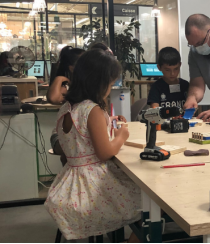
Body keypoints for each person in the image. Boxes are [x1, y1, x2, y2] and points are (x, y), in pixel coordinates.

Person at [44, 49, 141, 242]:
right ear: (99, 82)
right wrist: (121, 136)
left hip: (70, 184)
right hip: (93, 189)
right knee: (153, 201)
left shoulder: (67, 107)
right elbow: (105, 153)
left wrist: (107, 120)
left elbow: (81, 137)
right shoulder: (93, 109)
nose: (109, 90)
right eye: (110, 85)